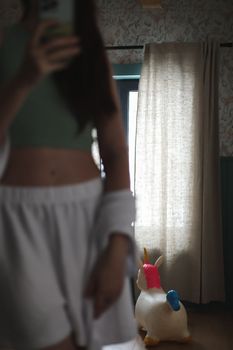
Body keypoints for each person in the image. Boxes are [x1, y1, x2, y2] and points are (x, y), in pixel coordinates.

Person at [0, 1, 138, 349]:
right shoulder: (3, 43)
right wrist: (23, 80)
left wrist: (116, 245)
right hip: (16, 222)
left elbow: (116, 152)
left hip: (87, 215)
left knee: (84, 342)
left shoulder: (89, 52)